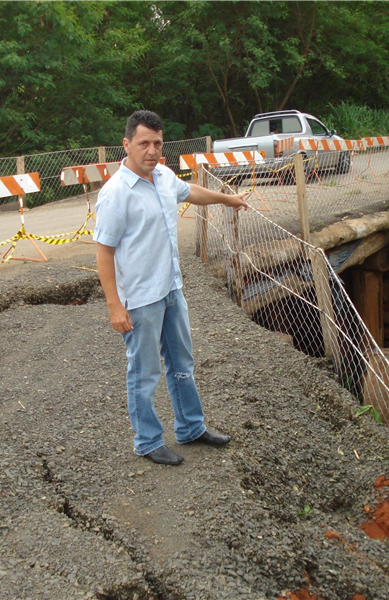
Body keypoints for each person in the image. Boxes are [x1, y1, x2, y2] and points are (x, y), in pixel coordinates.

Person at [94, 110, 250, 466]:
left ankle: (191, 428)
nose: (151, 150)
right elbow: (104, 253)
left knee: (182, 362)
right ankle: (147, 441)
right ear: (127, 144)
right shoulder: (116, 194)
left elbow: (188, 191)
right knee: (144, 371)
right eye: (144, 143)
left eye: (157, 143)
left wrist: (227, 199)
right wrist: (115, 307)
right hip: (139, 299)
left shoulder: (163, 176)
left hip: (171, 290)